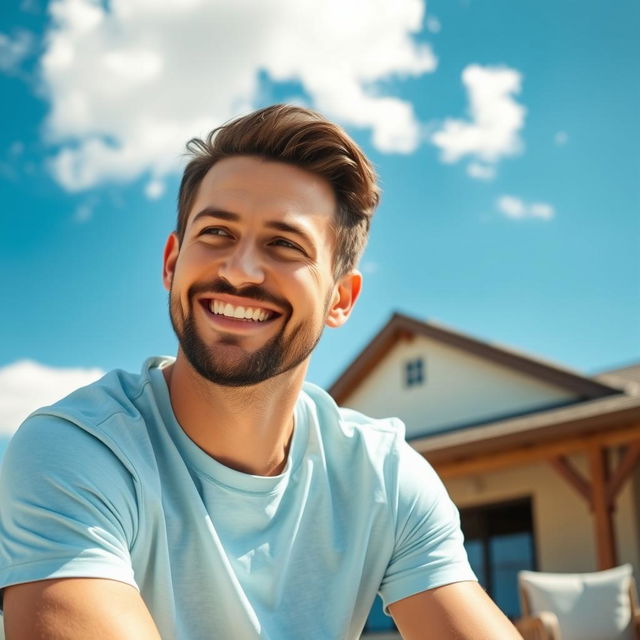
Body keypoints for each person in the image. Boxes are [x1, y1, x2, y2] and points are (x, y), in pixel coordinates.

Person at [0, 105, 521, 639]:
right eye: (217, 232)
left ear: (341, 299)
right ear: (171, 263)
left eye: (284, 245)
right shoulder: (79, 451)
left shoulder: (382, 477)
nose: (239, 271)